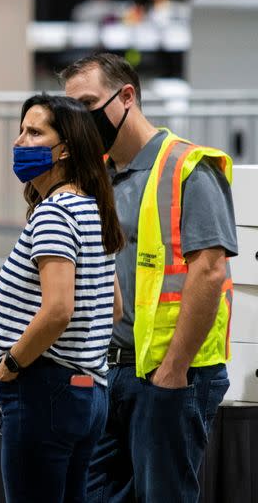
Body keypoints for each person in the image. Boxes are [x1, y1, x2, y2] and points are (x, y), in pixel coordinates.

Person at [61, 52, 237, 503]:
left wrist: (174, 369)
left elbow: (209, 270)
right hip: (109, 373)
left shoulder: (188, 167)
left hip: (171, 375)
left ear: (126, 97)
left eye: (87, 104)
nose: (79, 120)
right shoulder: (97, 175)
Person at [0, 93, 124, 502]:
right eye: (20, 130)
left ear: (64, 149)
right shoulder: (92, 208)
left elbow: (59, 309)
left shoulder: (55, 213)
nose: (19, 141)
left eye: (34, 132)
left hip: (44, 390)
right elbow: (114, 308)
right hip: (87, 390)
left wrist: (10, 363)